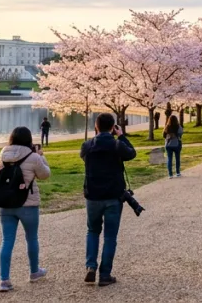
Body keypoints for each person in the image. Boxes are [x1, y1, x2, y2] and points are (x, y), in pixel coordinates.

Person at [80, 113, 137, 287]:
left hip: (93, 196)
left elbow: (85, 156)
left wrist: (97, 135)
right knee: (110, 236)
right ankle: (105, 275)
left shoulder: (87, 146)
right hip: (113, 196)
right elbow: (132, 154)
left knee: (92, 231)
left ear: (96, 127)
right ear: (113, 127)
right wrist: (121, 136)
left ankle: (91, 266)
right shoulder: (117, 145)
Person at [0, 127, 52, 292]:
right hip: (28, 203)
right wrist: (42, 156)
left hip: (6, 203)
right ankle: (34, 272)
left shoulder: (3, 154)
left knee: (7, 241)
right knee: (32, 238)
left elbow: (0, 172)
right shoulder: (33, 156)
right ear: (29, 139)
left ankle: (4, 280)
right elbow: (45, 175)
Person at [163, 114, 184, 179]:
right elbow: (180, 134)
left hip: (168, 145)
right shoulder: (178, 126)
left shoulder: (167, 127)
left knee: (169, 159)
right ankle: (178, 172)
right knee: (177, 158)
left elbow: (163, 135)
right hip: (176, 144)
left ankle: (170, 174)